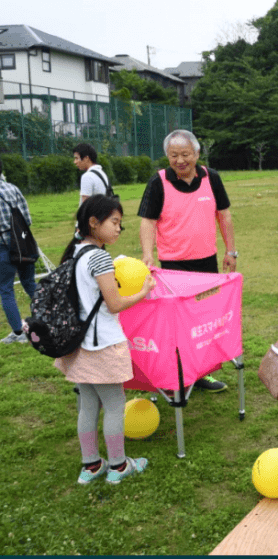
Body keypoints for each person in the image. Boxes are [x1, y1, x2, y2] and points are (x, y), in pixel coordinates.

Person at [53, 195, 155, 485]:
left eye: (120, 223)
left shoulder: (76, 252)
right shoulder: (98, 256)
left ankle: (91, 465)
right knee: (113, 404)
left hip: (79, 346)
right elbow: (114, 304)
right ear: (93, 223)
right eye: (114, 222)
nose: (118, 229)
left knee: (87, 405)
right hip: (103, 345)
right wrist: (144, 291)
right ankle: (119, 466)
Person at [137, 129, 235, 392]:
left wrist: (231, 250)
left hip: (207, 264)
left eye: (185, 154)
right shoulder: (158, 182)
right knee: (177, 324)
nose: (180, 160)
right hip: (173, 267)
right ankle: (177, 373)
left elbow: (223, 215)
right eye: (173, 155)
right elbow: (148, 221)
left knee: (206, 320)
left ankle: (204, 372)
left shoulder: (210, 178)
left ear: (197, 154)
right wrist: (148, 253)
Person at [0, 159, 37, 343]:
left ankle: (18, 332)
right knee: (30, 283)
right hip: (22, 245)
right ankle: (48, 318)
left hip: (2, 249)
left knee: (6, 289)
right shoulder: (12, 188)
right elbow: (27, 218)